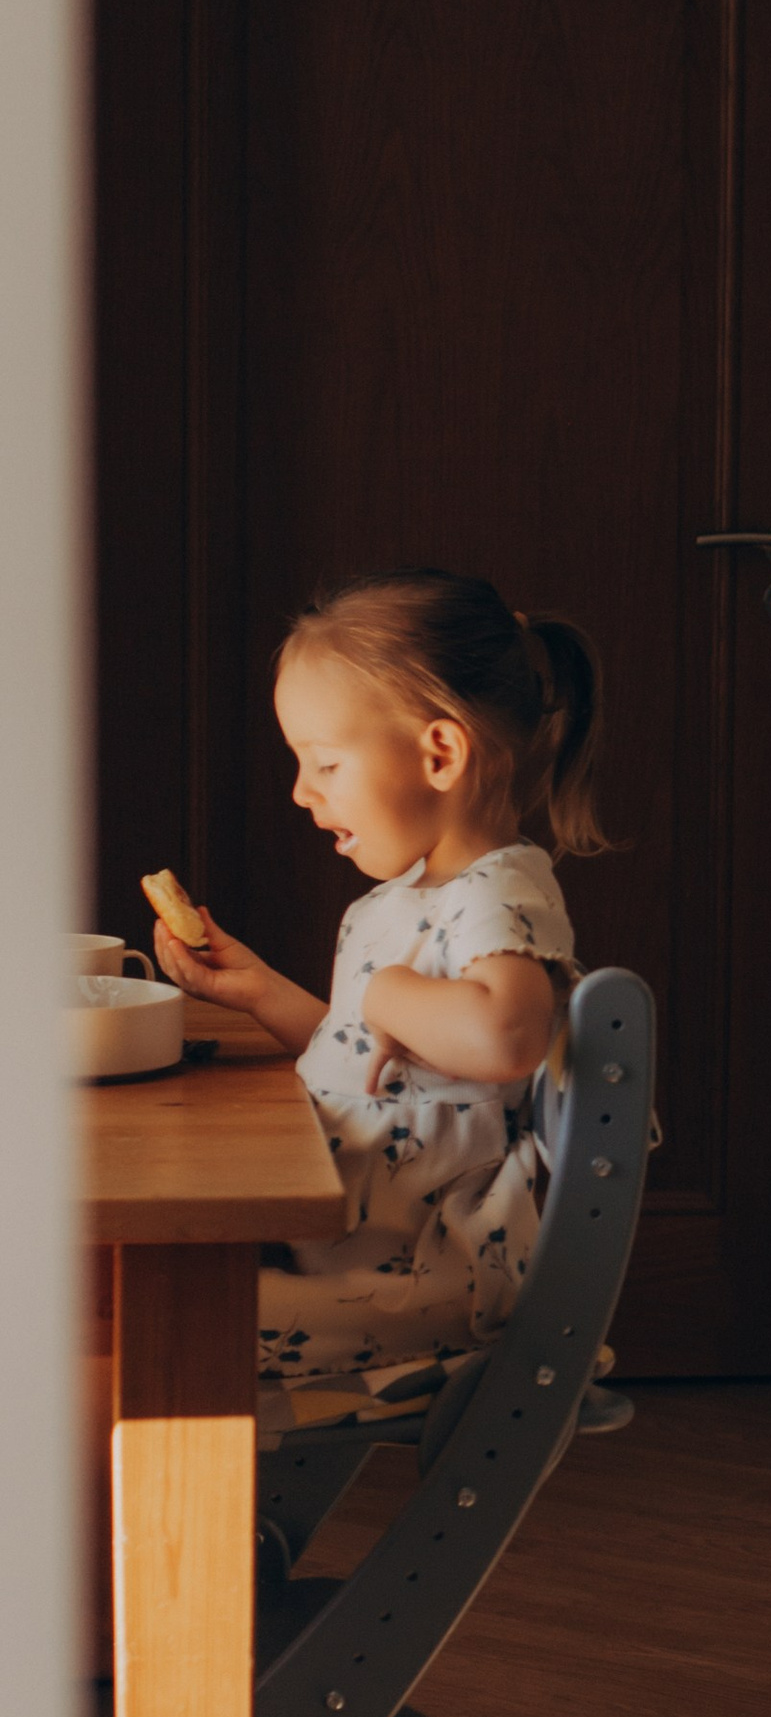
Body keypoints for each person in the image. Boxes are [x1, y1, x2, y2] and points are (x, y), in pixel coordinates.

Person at [150, 568, 608, 1436]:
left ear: (440, 753)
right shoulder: (403, 899)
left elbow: (507, 1037)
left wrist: (389, 992)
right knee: (129, 1291)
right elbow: (378, 1066)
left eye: (323, 762)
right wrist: (260, 993)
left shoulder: (497, 890)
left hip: (422, 1274)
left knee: (153, 1319)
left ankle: (175, 1551)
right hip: (352, 1235)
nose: (301, 790)